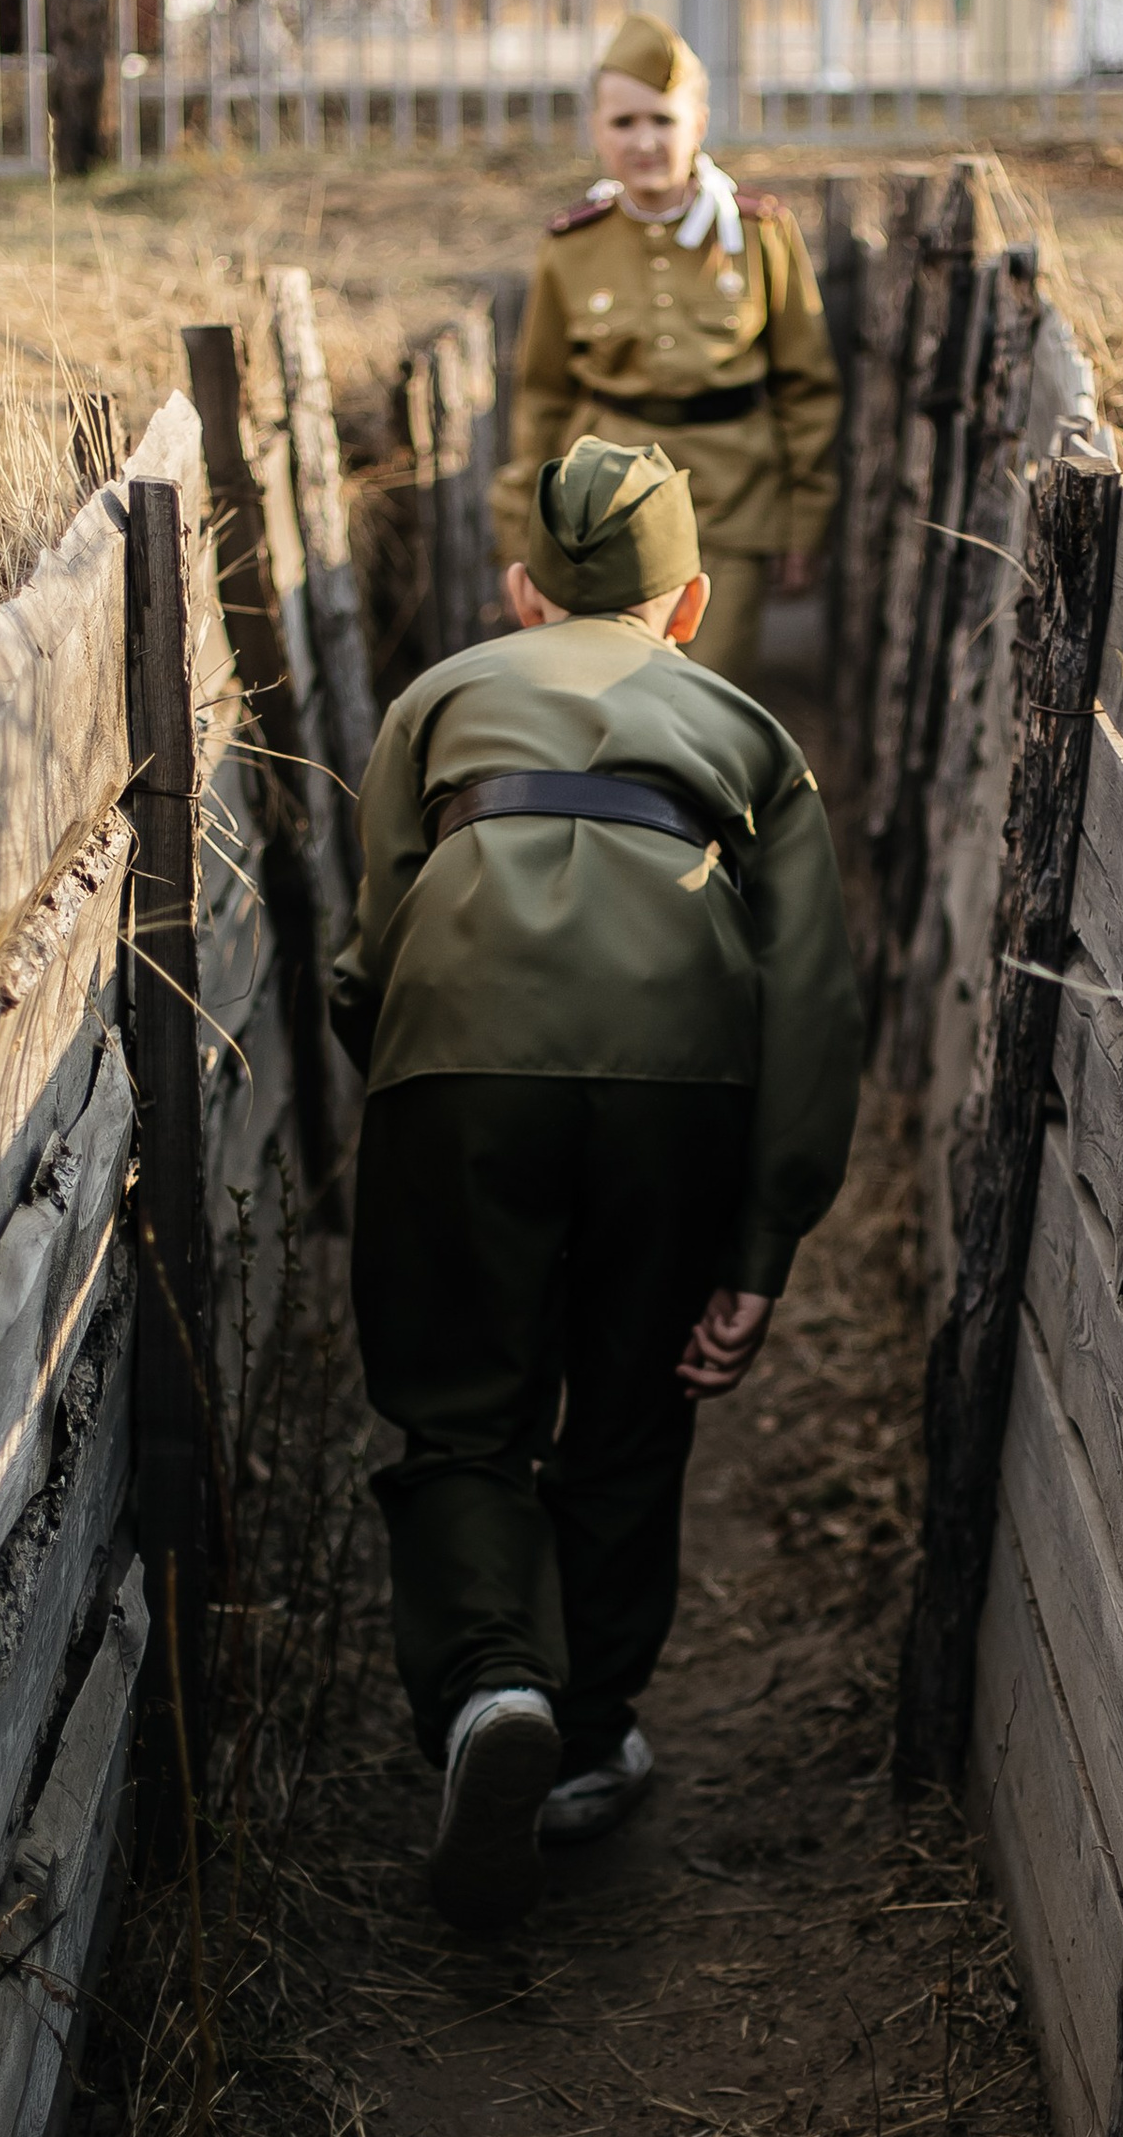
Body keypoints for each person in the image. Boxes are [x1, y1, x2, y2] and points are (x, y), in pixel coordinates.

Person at [332, 434, 862, 1936]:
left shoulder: (437, 700)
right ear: (688, 605)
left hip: (459, 1067)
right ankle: (583, 1732)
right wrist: (764, 1240)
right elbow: (810, 1003)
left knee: (460, 1412)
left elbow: (370, 947)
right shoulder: (750, 731)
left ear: (520, 591)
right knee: (628, 1407)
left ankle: (489, 1681)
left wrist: (413, 1086)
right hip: (679, 1081)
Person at [490, 12, 845, 695]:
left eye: (663, 119)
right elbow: (542, 398)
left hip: (730, 505)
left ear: (699, 122)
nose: (645, 141)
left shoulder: (760, 233)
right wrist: (521, 535)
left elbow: (808, 388)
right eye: (623, 123)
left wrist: (804, 525)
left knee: (706, 696)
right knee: (605, 697)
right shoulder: (571, 245)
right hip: (600, 511)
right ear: (596, 129)